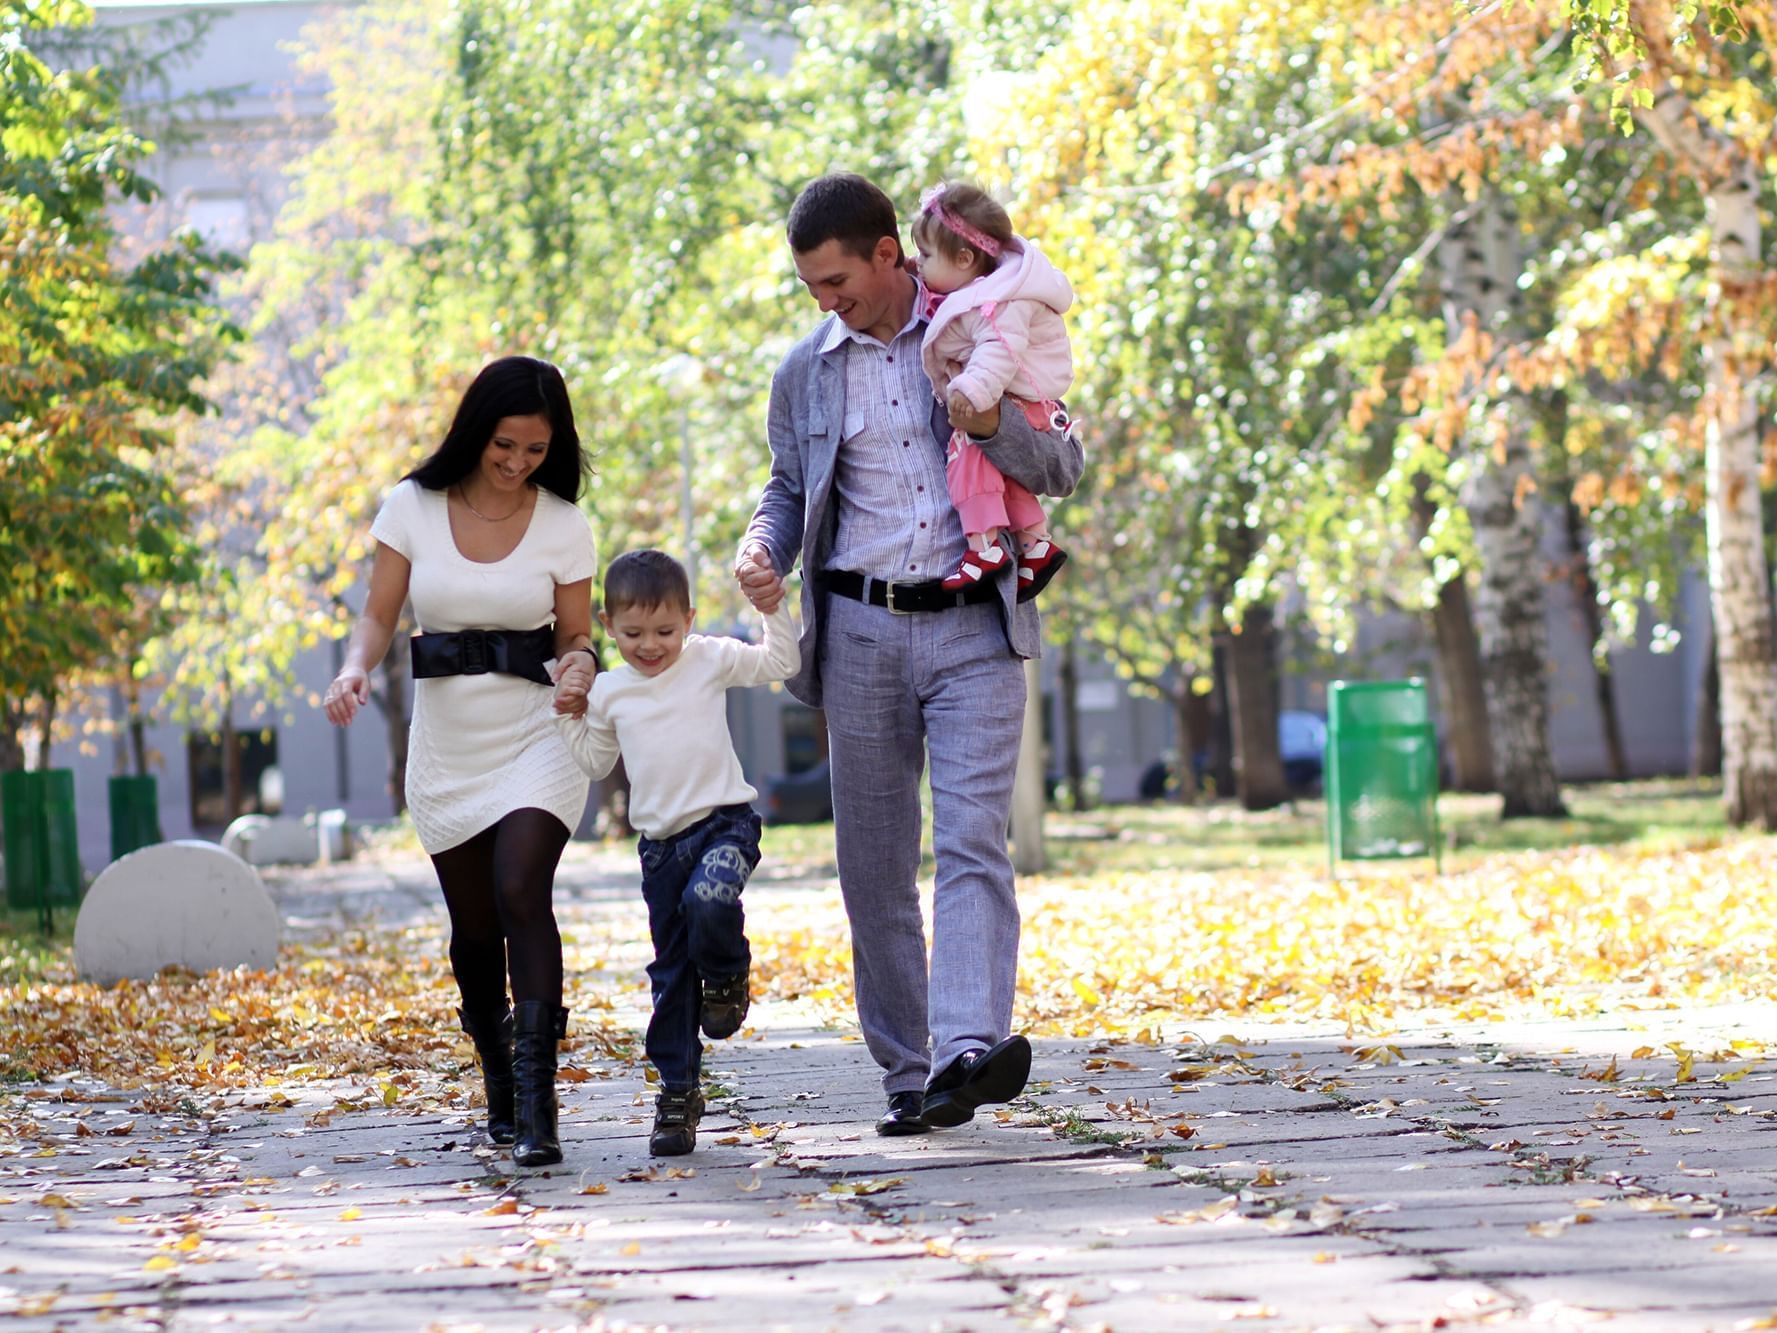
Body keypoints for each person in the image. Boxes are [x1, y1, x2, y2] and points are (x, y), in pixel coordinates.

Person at [734, 172, 1085, 1137]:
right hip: (857, 631)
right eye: (811, 287)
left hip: (974, 622)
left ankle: (966, 1049)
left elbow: (1060, 465)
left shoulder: (976, 328)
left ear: (890, 254)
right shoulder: (806, 370)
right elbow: (786, 486)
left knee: (974, 838)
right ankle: (909, 1068)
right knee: (874, 865)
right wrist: (763, 548)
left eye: (836, 281)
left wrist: (985, 422)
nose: (824, 301)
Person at [323, 355, 597, 1169]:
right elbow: (378, 615)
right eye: (505, 445)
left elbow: (576, 634)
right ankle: (500, 1081)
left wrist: (581, 663)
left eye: (536, 450)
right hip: (447, 749)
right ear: (477, 431)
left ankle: (539, 1102)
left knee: (521, 886)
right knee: (475, 931)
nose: (517, 463)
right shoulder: (412, 506)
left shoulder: (562, 523)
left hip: (536, 735)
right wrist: (353, 667)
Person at [550, 550, 799, 1156]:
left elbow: (780, 661)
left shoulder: (707, 658)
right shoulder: (610, 691)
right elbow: (593, 763)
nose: (651, 645)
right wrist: (568, 712)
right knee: (670, 977)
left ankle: (729, 974)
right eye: (634, 634)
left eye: (665, 631)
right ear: (608, 626)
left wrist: (774, 609)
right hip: (661, 851)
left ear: (688, 619)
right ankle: (678, 1092)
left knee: (709, 901)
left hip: (724, 826)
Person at [912, 180, 1075, 598]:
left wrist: (971, 390)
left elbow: (1000, 350)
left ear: (965, 258)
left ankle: (982, 546)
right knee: (1006, 476)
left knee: (967, 461)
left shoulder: (998, 303)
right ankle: (1035, 544)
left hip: (1018, 401)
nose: (918, 262)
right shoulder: (985, 289)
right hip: (1022, 400)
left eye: (926, 255)